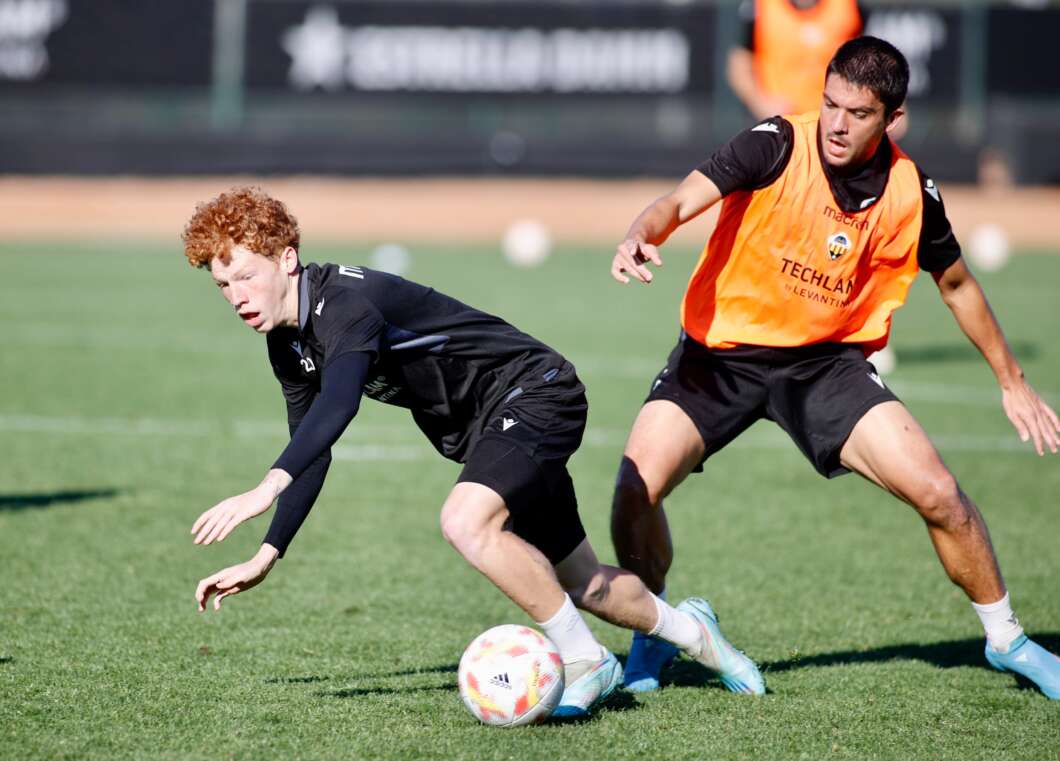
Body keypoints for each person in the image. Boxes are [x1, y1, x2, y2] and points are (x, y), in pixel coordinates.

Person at [182, 187, 766, 720]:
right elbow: (311, 448)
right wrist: (268, 553)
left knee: (465, 521)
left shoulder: (346, 303)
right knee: (586, 584)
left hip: (536, 391)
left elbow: (338, 406)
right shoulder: (286, 347)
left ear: (287, 258)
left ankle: (587, 661)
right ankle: (695, 633)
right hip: (487, 430)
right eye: (223, 286)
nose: (237, 298)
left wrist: (265, 487)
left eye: (246, 277)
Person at [610, 37, 1060, 700]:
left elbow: (958, 284)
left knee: (940, 494)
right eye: (830, 104)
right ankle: (660, 625)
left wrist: (1011, 378)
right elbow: (678, 200)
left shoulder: (912, 192)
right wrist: (639, 232)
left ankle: (1009, 640)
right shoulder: (775, 144)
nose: (837, 123)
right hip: (720, 354)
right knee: (632, 493)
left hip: (825, 366)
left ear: (891, 118)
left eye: (857, 112)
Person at [727, 0, 864, 120]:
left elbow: (868, 58)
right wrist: (761, 103)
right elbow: (739, 63)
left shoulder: (849, 5)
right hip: (783, 121)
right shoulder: (760, 6)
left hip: (832, 120)